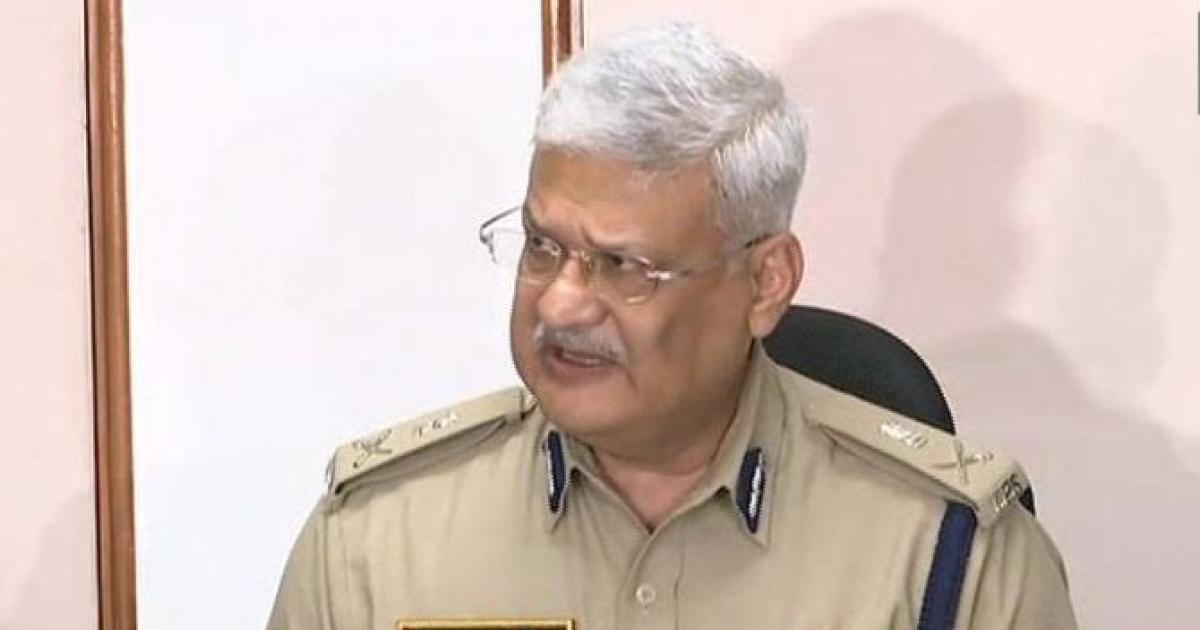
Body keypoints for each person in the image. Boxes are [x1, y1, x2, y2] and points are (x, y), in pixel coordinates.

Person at [268, 22, 1077, 629]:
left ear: (766, 281)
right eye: (543, 247)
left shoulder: (951, 556)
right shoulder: (374, 541)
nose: (560, 304)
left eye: (625, 266)